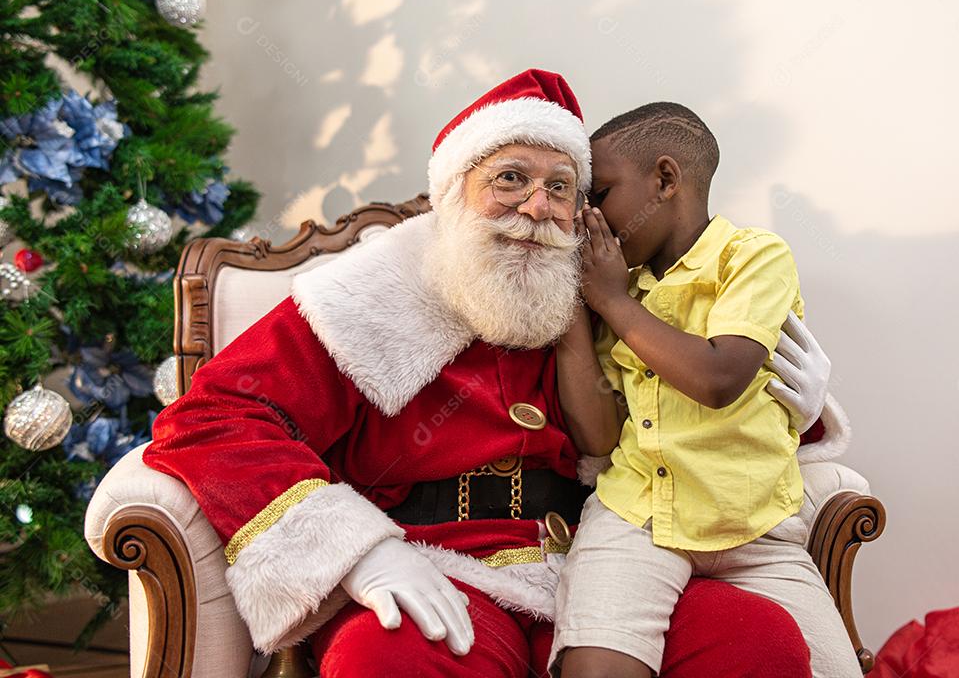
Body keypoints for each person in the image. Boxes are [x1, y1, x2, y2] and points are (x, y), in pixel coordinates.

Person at [140, 70, 841, 677]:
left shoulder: (607, 287)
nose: (537, 207)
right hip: (441, 566)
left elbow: (694, 411)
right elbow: (213, 416)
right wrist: (357, 555)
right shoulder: (369, 294)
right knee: (387, 662)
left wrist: (801, 413)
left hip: (612, 558)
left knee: (756, 640)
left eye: (560, 187)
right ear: (454, 193)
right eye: (510, 178)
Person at [550, 102, 862, 678]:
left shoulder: (753, 255)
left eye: (603, 192)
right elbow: (598, 437)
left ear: (665, 180)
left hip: (757, 527)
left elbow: (719, 380)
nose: (590, 215)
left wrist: (613, 303)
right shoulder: (617, 283)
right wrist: (579, 309)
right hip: (635, 516)